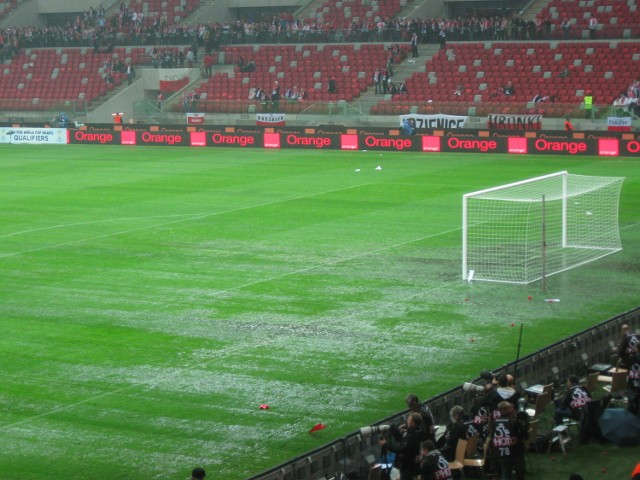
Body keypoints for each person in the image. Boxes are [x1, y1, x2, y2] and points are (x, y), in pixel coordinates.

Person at [489, 401, 527, 480]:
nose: (513, 408)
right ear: (504, 410)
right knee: (520, 474)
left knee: (505, 474)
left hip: (503, 453)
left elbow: (493, 438)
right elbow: (525, 436)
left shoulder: (495, 422)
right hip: (516, 452)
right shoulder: (515, 422)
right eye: (510, 407)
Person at [379, 412, 423, 480]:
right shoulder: (417, 432)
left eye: (409, 420)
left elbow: (399, 449)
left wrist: (385, 444)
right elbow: (402, 440)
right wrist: (394, 429)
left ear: (413, 422)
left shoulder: (412, 436)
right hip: (411, 467)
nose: (407, 421)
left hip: (408, 468)